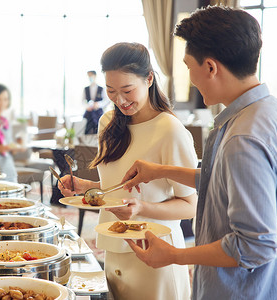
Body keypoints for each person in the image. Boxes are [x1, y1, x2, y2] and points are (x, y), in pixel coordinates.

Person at [122, 6, 277, 300]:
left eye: (187, 66)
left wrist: (174, 255)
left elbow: (255, 246)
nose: (190, 77)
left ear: (210, 67)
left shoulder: (242, 138)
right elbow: (229, 181)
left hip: (245, 291)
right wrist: (161, 171)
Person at [58, 43, 198, 300]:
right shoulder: (108, 123)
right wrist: (83, 186)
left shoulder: (170, 130)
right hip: (113, 245)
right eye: (111, 91)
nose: (120, 100)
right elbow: (117, 189)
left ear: (149, 79)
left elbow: (191, 205)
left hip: (155, 252)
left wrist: (141, 209)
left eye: (127, 90)